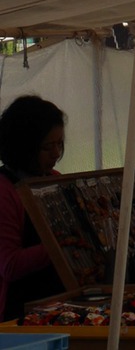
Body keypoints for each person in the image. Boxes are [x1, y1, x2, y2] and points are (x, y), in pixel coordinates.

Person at [0, 95, 66, 320]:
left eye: (60, 144)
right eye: (48, 146)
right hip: (18, 315)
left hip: (58, 305)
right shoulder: (5, 191)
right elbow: (9, 265)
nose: (56, 153)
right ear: (24, 147)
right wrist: (61, 245)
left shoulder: (55, 179)